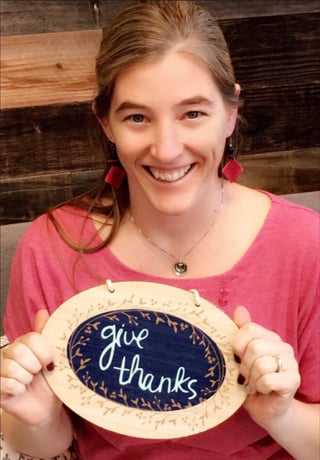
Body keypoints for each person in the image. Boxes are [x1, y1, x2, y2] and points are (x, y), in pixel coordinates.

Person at [1, 1, 319, 459]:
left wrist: (280, 414)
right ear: (104, 122)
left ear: (230, 113)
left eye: (193, 114)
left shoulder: (306, 245)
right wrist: (38, 414)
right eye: (137, 118)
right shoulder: (50, 248)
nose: (166, 149)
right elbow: (36, 440)